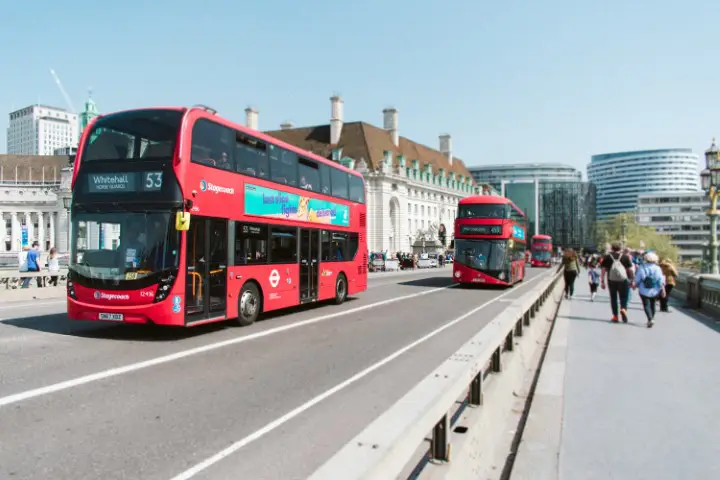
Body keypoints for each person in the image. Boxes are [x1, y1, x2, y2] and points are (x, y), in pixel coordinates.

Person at [600, 242, 634, 323]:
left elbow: (603, 270)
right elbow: (630, 270)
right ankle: (623, 308)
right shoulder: (625, 257)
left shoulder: (607, 257)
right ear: (620, 248)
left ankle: (615, 316)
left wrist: (602, 281)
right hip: (623, 280)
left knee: (613, 298)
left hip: (611, 280)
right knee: (624, 297)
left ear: (612, 248)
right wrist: (632, 279)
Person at [632, 252, 666, 328]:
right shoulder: (658, 268)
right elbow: (660, 280)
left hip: (644, 289)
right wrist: (663, 290)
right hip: (655, 290)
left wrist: (635, 285)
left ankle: (650, 318)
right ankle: (652, 318)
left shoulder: (642, 267)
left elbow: (638, 278)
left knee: (646, 305)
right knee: (653, 304)